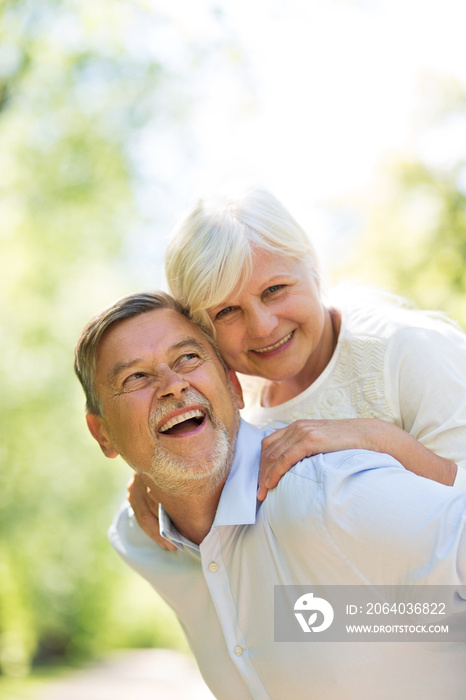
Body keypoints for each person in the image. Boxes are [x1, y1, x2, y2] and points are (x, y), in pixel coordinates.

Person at [75, 291, 466, 700]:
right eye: (135, 377)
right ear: (102, 434)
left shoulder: (329, 494)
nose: (173, 386)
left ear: (233, 387)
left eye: (187, 359)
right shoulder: (141, 539)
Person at [129, 186, 466, 544]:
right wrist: (161, 473)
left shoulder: (409, 351)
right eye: (226, 311)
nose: (262, 326)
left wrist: (374, 438)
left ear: (312, 268)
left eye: (275, 290)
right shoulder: (233, 405)